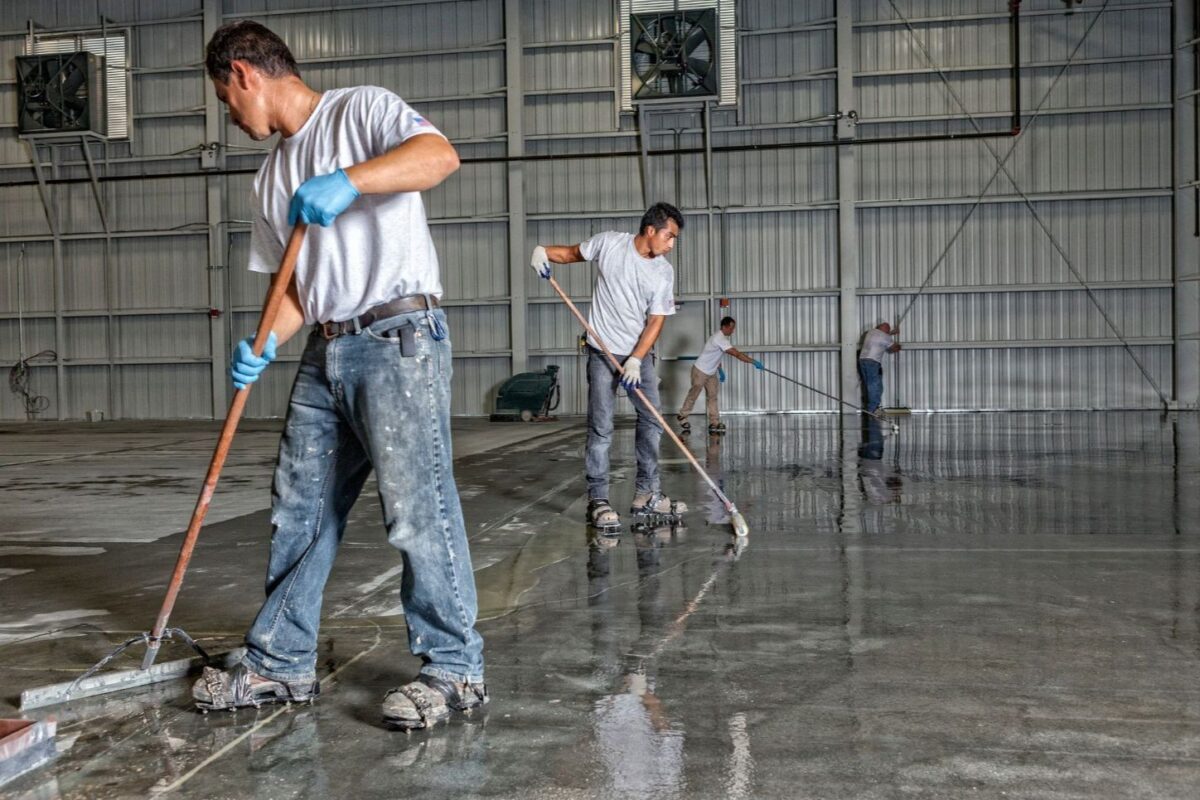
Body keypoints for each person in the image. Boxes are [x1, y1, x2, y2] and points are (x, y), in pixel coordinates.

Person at [192, 20, 486, 732]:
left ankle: (456, 668)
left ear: (243, 74)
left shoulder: (362, 111)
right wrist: (261, 345)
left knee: (418, 508)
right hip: (326, 348)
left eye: (225, 98)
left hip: (398, 334)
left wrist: (350, 181)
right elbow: (293, 288)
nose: (230, 117)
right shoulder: (271, 178)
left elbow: (438, 156)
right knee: (301, 507)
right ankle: (281, 660)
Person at [531, 203, 688, 533]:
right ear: (651, 230)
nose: (671, 244)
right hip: (601, 352)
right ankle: (598, 500)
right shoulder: (609, 244)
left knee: (652, 420)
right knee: (601, 427)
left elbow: (656, 321)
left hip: (638, 356)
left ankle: (646, 493)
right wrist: (542, 252)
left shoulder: (663, 271)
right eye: (669, 236)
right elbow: (572, 253)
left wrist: (635, 359)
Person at [674, 316, 762, 435]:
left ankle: (714, 423)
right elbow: (736, 354)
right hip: (700, 370)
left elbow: (716, 356)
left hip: (711, 372)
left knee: (713, 397)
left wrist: (719, 369)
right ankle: (682, 416)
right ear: (724, 327)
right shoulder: (719, 338)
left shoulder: (721, 339)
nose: (733, 331)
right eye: (731, 328)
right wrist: (753, 362)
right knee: (694, 394)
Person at [858, 321, 901, 414]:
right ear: (886, 330)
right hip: (873, 362)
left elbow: (881, 337)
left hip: (862, 360)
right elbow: (895, 348)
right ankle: (873, 409)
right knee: (874, 385)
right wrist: (898, 345)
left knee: (869, 385)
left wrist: (891, 333)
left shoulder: (871, 332)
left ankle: (872, 406)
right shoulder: (885, 337)